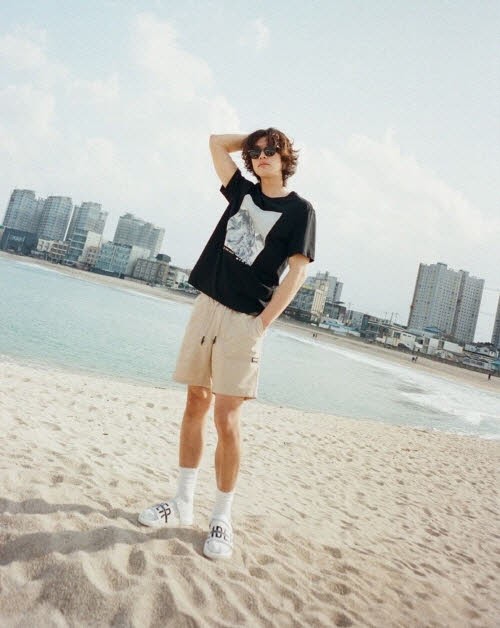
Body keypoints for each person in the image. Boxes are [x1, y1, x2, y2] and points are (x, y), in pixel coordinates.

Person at [138, 128, 316, 560]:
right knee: (195, 402)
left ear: (286, 157)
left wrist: (263, 324)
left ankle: (221, 517)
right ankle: (182, 502)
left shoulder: (300, 211)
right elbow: (217, 141)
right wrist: (255, 136)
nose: (261, 156)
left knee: (227, 418)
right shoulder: (241, 192)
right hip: (207, 307)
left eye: (271, 150)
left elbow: (297, 273)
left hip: (245, 320)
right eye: (255, 152)